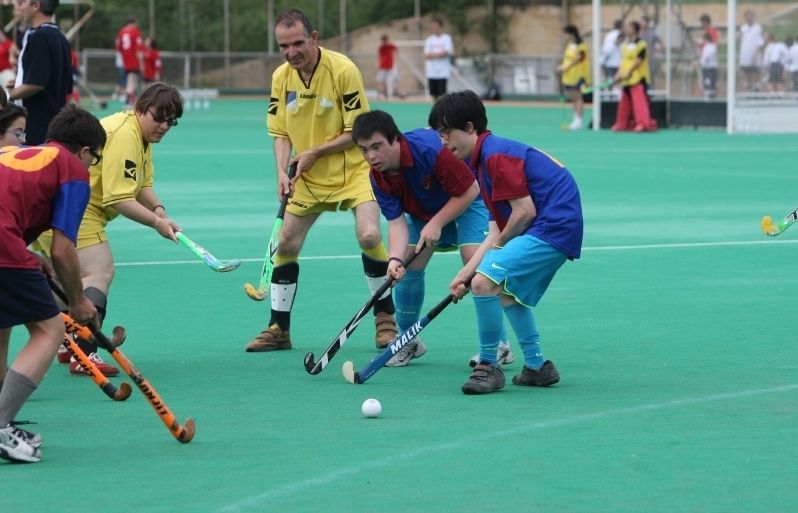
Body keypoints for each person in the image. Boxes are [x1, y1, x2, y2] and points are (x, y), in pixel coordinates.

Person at [246, 9, 397, 352]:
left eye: (297, 43)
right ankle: (278, 329)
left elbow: (359, 130)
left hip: (354, 171)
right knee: (286, 244)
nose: (291, 51)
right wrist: (281, 173)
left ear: (313, 38)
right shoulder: (281, 78)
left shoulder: (343, 70)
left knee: (369, 234)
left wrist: (314, 152)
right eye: (283, 46)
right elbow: (280, 132)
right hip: (309, 178)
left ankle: (385, 318)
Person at [427, 90, 583, 395]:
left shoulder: (495, 155)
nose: (443, 141)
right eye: (440, 134)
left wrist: (478, 273)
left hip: (553, 225)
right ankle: (538, 367)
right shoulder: (482, 160)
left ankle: (489, 365)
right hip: (550, 225)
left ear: (469, 127)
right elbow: (497, 229)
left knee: (485, 284)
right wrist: (466, 271)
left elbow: (524, 213)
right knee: (505, 291)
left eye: (447, 133)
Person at [35, 82, 183, 375]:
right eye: (159, 117)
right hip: (77, 208)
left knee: (64, 283)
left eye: (171, 121)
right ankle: (85, 353)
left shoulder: (139, 133)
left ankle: (70, 343)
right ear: (141, 109)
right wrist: (156, 224)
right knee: (99, 271)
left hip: (64, 206)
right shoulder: (127, 136)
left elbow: (142, 185)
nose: (164, 125)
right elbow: (119, 197)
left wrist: (159, 210)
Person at [351, 110, 513, 368]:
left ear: (395, 139)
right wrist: (393, 259)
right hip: (424, 211)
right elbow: (396, 224)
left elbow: (471, 189)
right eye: (364, 150)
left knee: (475, 266)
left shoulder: (430, 150)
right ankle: (408, 341)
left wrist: (437, 222)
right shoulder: (377, 176)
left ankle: (500, 346)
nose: (371, 156)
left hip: (470, 201)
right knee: (407, 264)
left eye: (377, 147)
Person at [0, 105, 104, 463]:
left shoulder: (24, 154)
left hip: (7, 240)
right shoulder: (74, 169)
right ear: (86, 151)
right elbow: (63, 249)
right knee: (49, 328)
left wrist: (30, 258)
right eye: (95, 158)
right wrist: (77, 300)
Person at [6, 0, 73, 146]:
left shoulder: (38, 36)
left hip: (36, 125)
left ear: (36, 6)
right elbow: (66, 83)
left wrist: (8, 95)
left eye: (23, 2)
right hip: (53, 123)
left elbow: (36, 83)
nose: (21, 7)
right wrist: (19, 83)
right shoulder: (61, 38)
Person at [613, 21, 657, 132]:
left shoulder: (641, 44)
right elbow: (623, 61)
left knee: (639, 103)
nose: (625, 29)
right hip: (626, 79)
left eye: (628, 27)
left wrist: (629, 71)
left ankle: (643, 124)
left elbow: (639, 60)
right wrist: (619, 73)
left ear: (634, 29)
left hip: (638, 78)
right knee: (624, 103)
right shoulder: (626, 44)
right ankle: (621, 123)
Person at [557, 25, 590, 131]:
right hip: (569, 75)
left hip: (577, 75)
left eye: (566, 33)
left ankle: (579, 120)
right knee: (573, 97)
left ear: (572, 33)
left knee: (577, 97)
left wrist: (565, 67)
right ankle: (575, 117)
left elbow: (579, 58)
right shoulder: (570, 44)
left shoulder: (581, 45)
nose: (564, 36)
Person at [115, 17, 144, 106]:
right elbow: (138, 49)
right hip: (133, 59)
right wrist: (141, 62)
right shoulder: (135, 32)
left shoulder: (121, 32)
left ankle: (130, 98)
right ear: (134, 23)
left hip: (125, 59)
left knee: (130, 78)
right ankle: (129, 99)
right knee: (133, 79)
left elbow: (118, 46)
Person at [423, 18, 454, 101]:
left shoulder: (447, 38)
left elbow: (446, 52)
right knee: (433, 95)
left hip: (442, 72)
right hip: (432, 72)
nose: (434, 28)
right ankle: (435, 112)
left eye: (436, 26)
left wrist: (433, 55)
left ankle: (443, 112)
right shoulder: (429, 40)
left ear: (440, 27)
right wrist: (439, 54)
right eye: (433, 26)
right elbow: (426, 55)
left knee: (442, 95)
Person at [738, 10, 764, 92]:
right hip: (745, 56)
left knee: (755, 74)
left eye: (750, 16)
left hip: (755, 56)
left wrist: (755, 55)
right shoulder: (743, 28)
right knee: (746, 74)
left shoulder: (758, 27)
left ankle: (756, 90)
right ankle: (747, 90)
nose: (749, 18)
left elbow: (760, 43)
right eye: (747, 16)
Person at [376, 34, 400, 100]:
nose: (384, 42)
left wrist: (396, 58)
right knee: (381, 80)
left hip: (391, 66)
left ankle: (396, 92)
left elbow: (396, 49)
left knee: (396, 79)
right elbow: (379, 56)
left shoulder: (390, 45)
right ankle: (383, 93)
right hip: (383, 66)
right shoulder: (381, 47)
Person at [699, 32, 718, 99]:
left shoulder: (712, 46)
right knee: (706, 82)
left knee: (711, 82)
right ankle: (707, 95)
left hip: (711, 67)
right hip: (706, 67)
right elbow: (703, 57)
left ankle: (712, 95)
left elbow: (707, 56)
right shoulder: (706, 47)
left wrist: (701, 62)